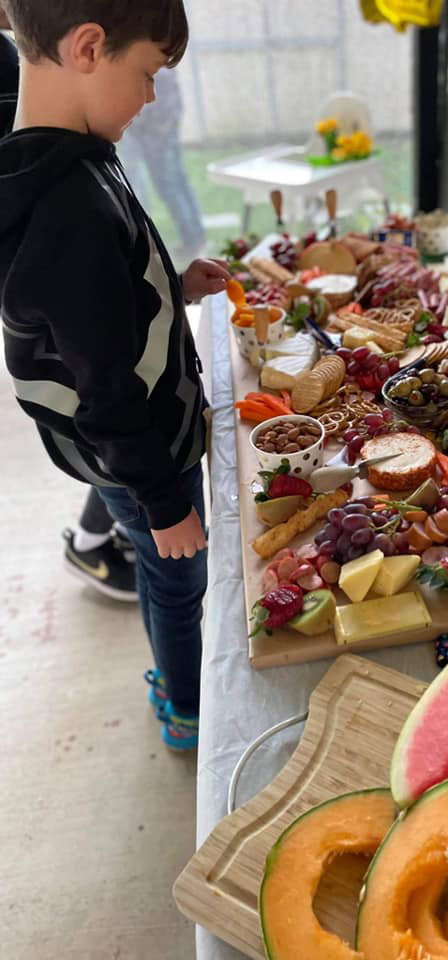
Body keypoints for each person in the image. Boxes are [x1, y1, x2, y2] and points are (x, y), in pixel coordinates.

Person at [0, 0, 231, 750]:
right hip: (139, 452)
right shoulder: (65, 208)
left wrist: (173, 282)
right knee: (176, 578)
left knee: (168, 567)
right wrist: (166, 505)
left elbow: (108, 293)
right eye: (150, 74)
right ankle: (189, 705)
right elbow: (105, 389)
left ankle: (179, 673)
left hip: (115, 449)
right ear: (90, 47)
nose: (153, 97)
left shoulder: (71, 146)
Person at [0, 2, 138, 601]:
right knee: (97, 387)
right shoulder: (66, 200)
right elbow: (97, 374)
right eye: (149, 75)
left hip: (70, 368)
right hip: (86, 401)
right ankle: (94, 539)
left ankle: (111, 520)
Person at [120, 67, 206, 263]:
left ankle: (193, 239)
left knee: (170, 186)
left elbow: (158, 94)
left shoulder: (153, 61)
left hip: (157, 131)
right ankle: (194, 237)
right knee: (176, 182)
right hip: (162, 127)